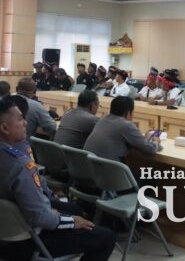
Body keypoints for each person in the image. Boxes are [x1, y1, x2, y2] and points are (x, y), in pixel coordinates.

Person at [0, 98, 116, 261]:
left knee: (70, 210)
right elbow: (39, 217)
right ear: (4, 127)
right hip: (25, 240)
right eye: (20, 119)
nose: (25, 122)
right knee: (105, 237)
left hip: (5, 232)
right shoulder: (20, 165)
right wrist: (71, 221)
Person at [84, 96, 162, 162]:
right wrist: (155, 141)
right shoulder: (126, 125)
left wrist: (145, 138)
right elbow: (151, 150)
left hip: (88, 168)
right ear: (128, 113)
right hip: (108, 172)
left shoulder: (102, 119)